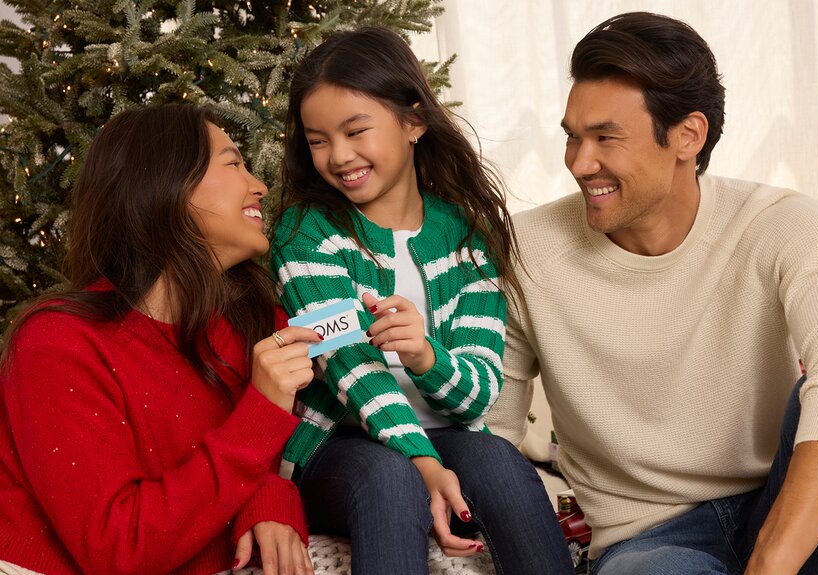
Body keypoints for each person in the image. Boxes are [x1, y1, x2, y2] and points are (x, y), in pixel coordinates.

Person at [486, 11, 818, 575]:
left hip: (787, 507)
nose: (579, 162)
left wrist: (772, 560)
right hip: (647, 544)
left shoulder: (781, 222)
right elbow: (490, 425)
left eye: (605, 138)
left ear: (688, 135)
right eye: (572, 136)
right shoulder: (525, 249)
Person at [271, 27, 572, 575]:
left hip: (449, 435)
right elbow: (350, 368)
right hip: (338, 445)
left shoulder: (464, 235)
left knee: (499, 462)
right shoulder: (306, 234)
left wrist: (426, 357)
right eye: (318, 140)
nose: (338, 156)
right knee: (389, 479)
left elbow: (479, 394)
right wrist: (425, 462)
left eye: (356, 130)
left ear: (413, 122)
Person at [0, 104, 321, 575]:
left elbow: (283, 458)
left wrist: (270, 494)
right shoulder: (56, 341)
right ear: (166, 182)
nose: (259, 185)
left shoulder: (257, 323)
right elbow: (118, 549)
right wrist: (261, 410)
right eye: (233, 162)